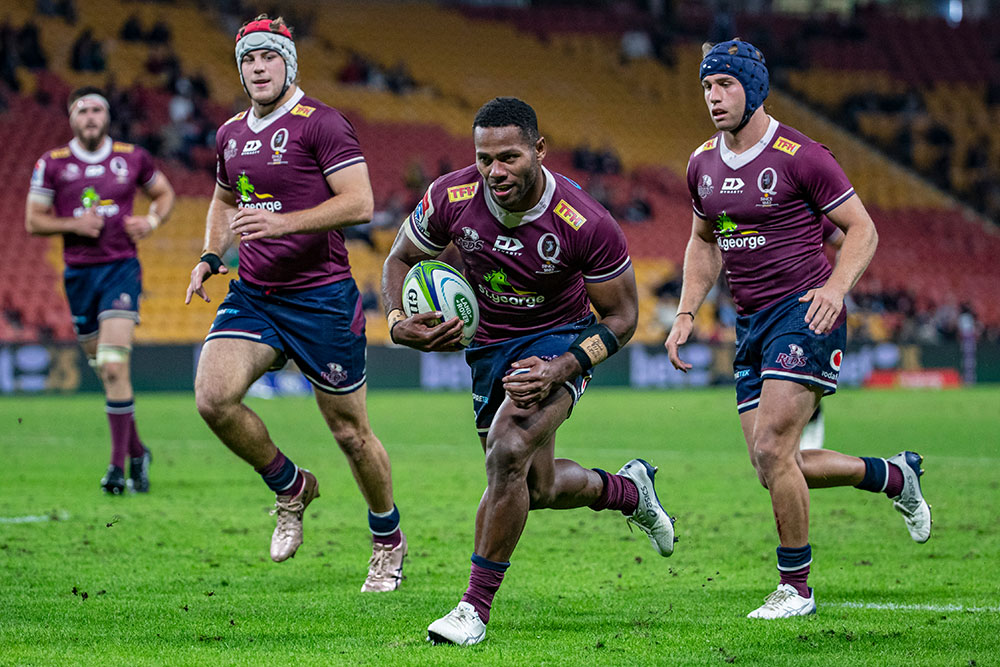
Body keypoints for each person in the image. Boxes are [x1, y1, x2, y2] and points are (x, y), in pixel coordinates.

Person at [382, 97, 676, 645]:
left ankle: (473, 609)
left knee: (508, 450)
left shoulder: (586, 221)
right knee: (534, 487)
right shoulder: (451, 196)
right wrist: (398, 323)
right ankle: (629, 492)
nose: (494, 172)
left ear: (539, 150)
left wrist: (562, 367)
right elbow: (398, 259)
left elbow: (623, 318)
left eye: (509, 158)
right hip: (487, 346)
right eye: (484, 159)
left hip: (557, 340)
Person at [666, 39, 931, 619]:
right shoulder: (701, 164)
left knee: (772, 447)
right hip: (750, 323)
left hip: (805, 311)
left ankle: (796, 588)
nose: (713, 97)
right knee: (772, 464)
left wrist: (835, 291)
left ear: (754, 88)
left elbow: (862, 229)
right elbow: (703, 242)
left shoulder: (802, 155)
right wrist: (686, 312)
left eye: (725, 84)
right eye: (707, 86)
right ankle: (893, 476)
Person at [184, 15, 406, 593]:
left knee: (351, 434)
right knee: (213, 399)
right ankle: (290, 486)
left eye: (268, 57)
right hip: (255, 294)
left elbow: (360, 203)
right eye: (248, 60)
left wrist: (282, 223)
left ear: (288, 64)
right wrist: (210, 255)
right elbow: (223, 200)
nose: (258, 68)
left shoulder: (322, 123)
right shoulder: (230, 133)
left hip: (321, 299)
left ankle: (387, 539)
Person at [26, 86, 175, 494]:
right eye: (82, 110)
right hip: (78, 277)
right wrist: (73, 225)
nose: (90, 116)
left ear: (107, 116)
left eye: (97, 109)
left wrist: (152, 221)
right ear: (71, 118)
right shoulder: (52, 163)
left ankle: (115, 468)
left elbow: (164, 193)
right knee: (109, 373)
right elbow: (33, 220)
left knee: (112, 364)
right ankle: (138, 452)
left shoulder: (133, 157)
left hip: (121, 271)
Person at [799, 219, 845, 451]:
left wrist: (835, 286)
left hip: (809, 307)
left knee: (804, 372)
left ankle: (813, 419)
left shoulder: (812, 215)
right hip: (765, 307)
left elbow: (844, 241)